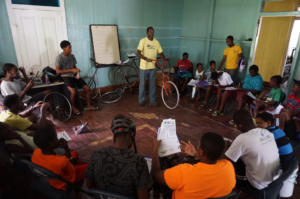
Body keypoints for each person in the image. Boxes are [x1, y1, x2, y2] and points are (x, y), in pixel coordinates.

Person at [85, 114, 152, 198]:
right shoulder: (138, 161)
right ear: (130, 134)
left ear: (114, 136)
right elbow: (143, 197)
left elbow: (88, 185)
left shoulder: (97, 154)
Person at [152, 132, 236, 199]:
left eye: (199, 145)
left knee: (162, 160)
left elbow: (154, 176)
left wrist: (155, 148)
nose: (198, 146)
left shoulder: (185, 172)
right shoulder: (228, 166)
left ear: (202, 152)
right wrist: (196, 154)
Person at [225, 110, 280, 190]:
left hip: (258, 183)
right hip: (275, 180)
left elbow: (226, 160)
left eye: (236, 125)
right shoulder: (266, 131)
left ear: (239, 125)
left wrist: (227, 146)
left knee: (227, 164)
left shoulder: (242, 138)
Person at [256, 112, 298, 198]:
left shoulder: (268, 134)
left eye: (259, 123)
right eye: (256, 123)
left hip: (282, 165)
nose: (257, 125)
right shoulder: (277, 129)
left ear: (268, 123)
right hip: (291, 162)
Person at [0, 95, 87, 134]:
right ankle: (53, 141)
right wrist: (42, 110)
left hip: (16, 130)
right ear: (14, 106)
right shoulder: (15, 119)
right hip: (23, 135)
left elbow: (21, 115)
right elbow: (39, 127)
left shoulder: (5, 113)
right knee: (49, 121)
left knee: (33, 115)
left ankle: (71, 129)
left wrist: (33, 107)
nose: (23, 103)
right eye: (20, 102)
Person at [55, 40, 99, 116]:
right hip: (66, 77)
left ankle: (88, 106)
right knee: (73, 92)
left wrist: (77, 72)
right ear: (63, 48)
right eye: (69, 48)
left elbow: (74, 67)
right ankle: (73, 107)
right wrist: (71, 70)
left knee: (87, 88)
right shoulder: (59, 57)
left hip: (74, 75)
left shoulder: (72, 56)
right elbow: (57, 71)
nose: (71, 49)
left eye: (71, 47)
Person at [137, 27, 169, 107]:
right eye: (150, 32)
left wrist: (164, 59)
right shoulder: (143, 41)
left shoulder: (156, 42)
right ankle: (141, 100)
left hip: (152, 67)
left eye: (153, 32)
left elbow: (160, 52)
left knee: (152, 85)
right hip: (143, 67)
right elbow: (138, 53)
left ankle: (153, 100)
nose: (152, 33)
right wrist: (145, 58)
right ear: (147, 33)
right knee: (142, 85)